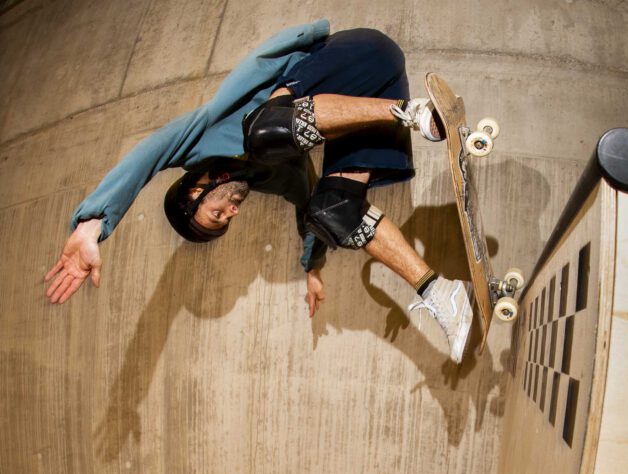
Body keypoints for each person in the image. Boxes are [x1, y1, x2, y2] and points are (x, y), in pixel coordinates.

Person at [45, 22, 473, 361]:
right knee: (332, 212)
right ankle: (442, 293)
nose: (232, 212)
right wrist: (312, 268)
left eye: (217, 213)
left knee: (263, 131)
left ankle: (415, 113)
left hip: (357, 57)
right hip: (371, 101)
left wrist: (93, 224)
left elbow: (147, 156)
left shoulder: (202, 139)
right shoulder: (273, 178)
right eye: (226, 221)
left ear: (197, 188)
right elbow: (307, 213)